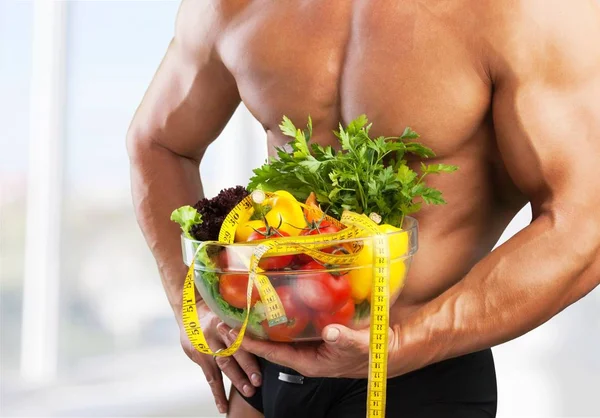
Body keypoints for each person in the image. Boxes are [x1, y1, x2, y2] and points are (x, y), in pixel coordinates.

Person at [126, 0, 600, 416]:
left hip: (418, 368)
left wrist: (399, 346)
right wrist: (191, 301)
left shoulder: (523, 9)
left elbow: (585, 219)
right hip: (266, 367)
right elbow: (158, 142)